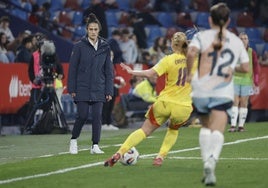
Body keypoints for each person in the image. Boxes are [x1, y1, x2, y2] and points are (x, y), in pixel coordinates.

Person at [104, 31, 193, 167]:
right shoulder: (195, 59)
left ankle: (120, 152)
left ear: (173, 45)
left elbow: (150, 73)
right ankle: (160, 157)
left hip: (164, 102)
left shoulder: (168, 59)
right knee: (173, 130)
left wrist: (132, 72)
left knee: (144, 130)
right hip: (183, 106)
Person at [186, 3, 249, 186]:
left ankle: (207, 164)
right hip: (222, 89)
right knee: (218, 130)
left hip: (201, 88)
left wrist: (190, 73)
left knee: (205, 127)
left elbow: (190, 52)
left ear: (209, 19)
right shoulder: (236, 41)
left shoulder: (201, 36)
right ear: (228, 20)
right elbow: (245, 67)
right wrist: (231, 68)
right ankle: (211, 162)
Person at [67, 13, 114, 155]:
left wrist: (109, 91)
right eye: (91, 29)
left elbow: (108, 71)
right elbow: (72, 69)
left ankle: (95, 145)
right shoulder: (79, 46)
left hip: (99, 87)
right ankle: (74, 140)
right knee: (82, 115)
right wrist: (72, 88)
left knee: (97, 116)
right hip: (82, 87)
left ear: (99, 30)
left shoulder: (105, 46)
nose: (93, 32)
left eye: (95, 29)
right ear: (87, 30)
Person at [229, 32, 259, 132]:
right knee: (235, 102)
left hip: (247, 80)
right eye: (241, 38)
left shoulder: (252, 52)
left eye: (245, 38)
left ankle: (241, 126)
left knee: (244, 103)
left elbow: (256, 67)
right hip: (235, 79)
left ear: (248, 40)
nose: (243, 40)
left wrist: (256, 81)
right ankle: (233, 126)